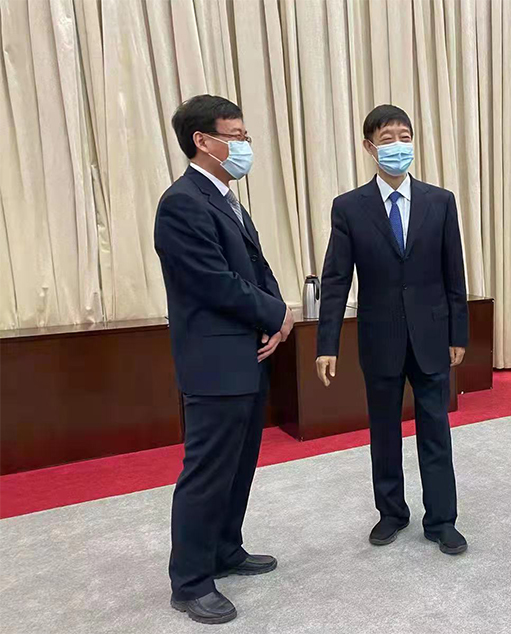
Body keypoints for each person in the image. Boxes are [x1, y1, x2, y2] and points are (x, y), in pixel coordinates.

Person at [155, 95, 293, 624]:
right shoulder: (182, 203)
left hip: (248, 354)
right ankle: (190, 581)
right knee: (208, 470)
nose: (244, 145)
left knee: (239, 463)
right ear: (203, 141)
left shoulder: (227, 199)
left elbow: (256, 268)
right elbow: (215, 283)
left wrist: (278, 316)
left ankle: (224, 548)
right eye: (235, 136)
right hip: (214, 361)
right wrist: (276, 313)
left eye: (244, 136)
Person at [316, 105, 469, 555]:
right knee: (384, 432)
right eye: (387, 138)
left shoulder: (440, 201)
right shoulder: (349, 207)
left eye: (405, 136)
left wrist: (458, 333)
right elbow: (336, 278)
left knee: (435, 430)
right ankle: (391, 513)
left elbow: (454, 273)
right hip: (379, 337)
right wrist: (327, 343)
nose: (398, 145)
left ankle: (442, 520)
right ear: (370, 147)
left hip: (431, 336)